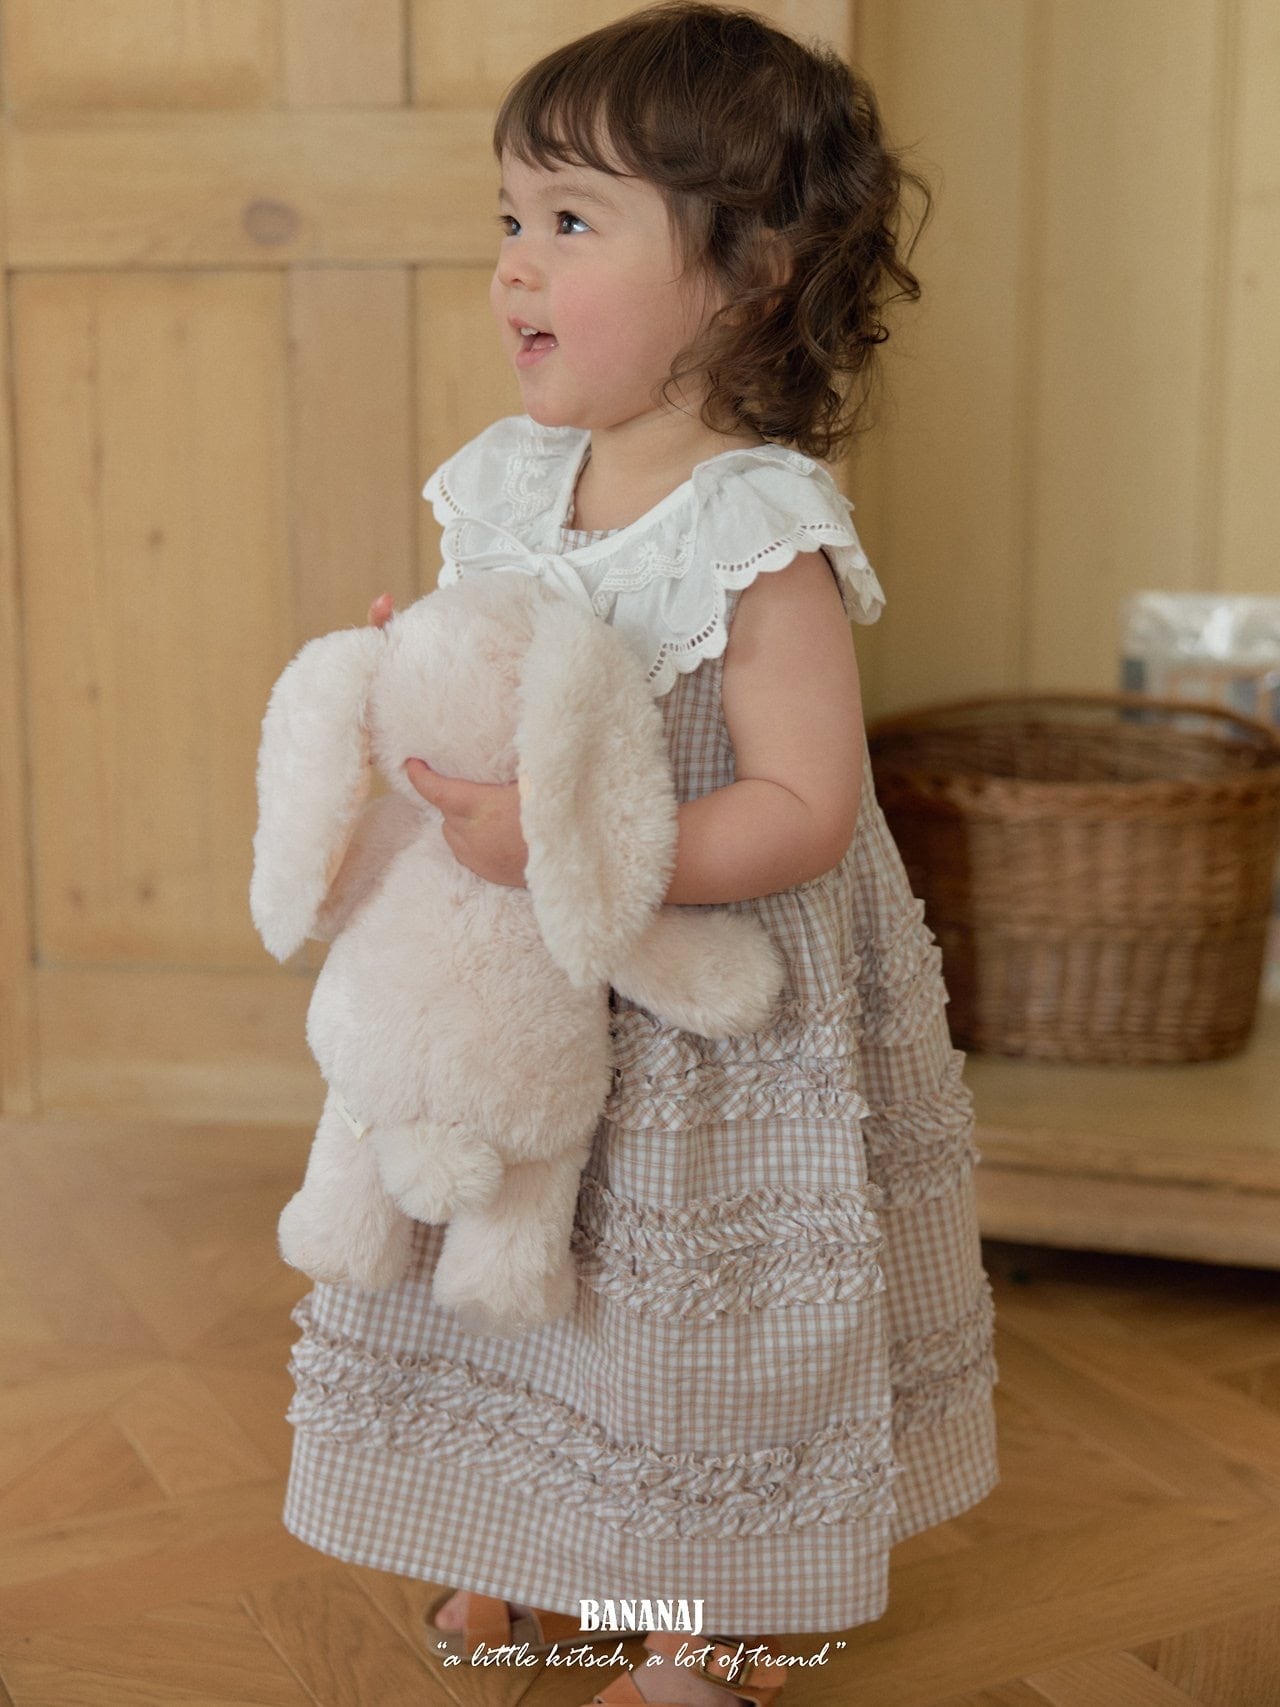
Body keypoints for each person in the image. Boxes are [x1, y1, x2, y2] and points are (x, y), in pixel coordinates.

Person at [281, 5, 998, 1703]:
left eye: (571, 222)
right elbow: (479, 681)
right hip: (511, 984)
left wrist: (578, 840)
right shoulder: (507, 485)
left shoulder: (758, 529)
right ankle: (526, 1527)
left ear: (749, 272)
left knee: (678, 1316)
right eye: (509, 219)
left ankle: (708, 1619)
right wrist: (413, 691)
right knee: (504, 1252)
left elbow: (805, 804)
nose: (513, 266)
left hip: (707, 1026)